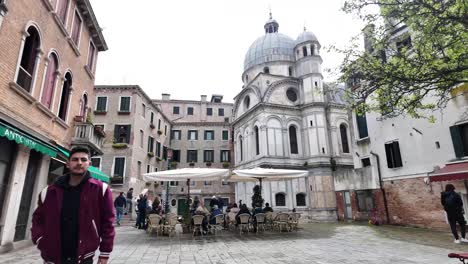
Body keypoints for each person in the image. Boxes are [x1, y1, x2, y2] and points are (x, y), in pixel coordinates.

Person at [31, 147, 115, 264]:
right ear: (68, 164)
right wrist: (40, 240)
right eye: (75, 159)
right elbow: (38, 219)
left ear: (89, 164)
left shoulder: (101, 190)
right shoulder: (49, 192)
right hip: (52, 257)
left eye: (83, 160)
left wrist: (105, 253)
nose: (79, 163)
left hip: (84, 256)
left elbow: (108, 222)